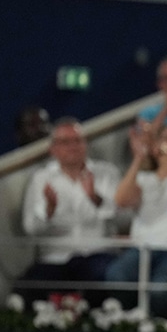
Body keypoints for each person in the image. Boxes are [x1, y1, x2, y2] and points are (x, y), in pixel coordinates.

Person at [106, 122, 167, 318]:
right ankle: (132, 322)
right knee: (116, 277)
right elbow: (121, 200)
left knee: (161, 290)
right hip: (143, 249)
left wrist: (165, 154)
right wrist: (139, 158)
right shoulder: (144, 179)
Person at [18, 118, 121, 304]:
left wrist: (95, 198)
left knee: (103, 277)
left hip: (97, 252)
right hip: (56, 256)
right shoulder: (41, 179)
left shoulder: (107, 173)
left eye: (78, 141)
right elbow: (30, 228)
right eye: (66, 142)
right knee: (30, 285)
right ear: (53, 149)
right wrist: (48, 210)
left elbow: (121, 217)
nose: (73, 147)